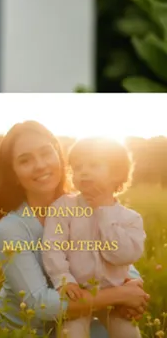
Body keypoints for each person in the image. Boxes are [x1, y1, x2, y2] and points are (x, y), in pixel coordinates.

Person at [0, 122, 149, 336]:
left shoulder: (87, 203)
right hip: (28, 329)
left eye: (46, 153)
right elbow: (39, 303)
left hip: (82, 315)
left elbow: (112, 254)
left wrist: (133, 283)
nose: (40, 165)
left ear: (59, 156)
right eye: (25, 160)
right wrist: (120, 295)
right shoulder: (12, 227)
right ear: (14, 174)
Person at [41, 136, 145, 338]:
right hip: (78, 294)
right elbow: (53, 247)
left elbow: (122, 256)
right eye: (78, 167)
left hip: (115, 298)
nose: (84, 172)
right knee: (71, 334)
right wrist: (64, 280)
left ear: (116, 173)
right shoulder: (63, 208)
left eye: (94, 165)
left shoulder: (130, 219)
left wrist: (104, 212)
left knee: (129, 334)